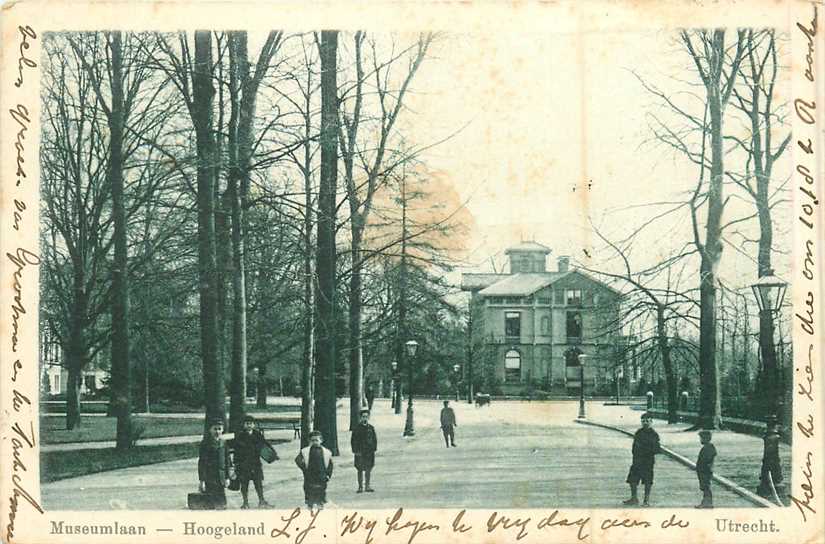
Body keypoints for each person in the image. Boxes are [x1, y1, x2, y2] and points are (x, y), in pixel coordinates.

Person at [230, 415, 270, 509]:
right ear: (244, 425)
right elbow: (236, 450)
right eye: (247, 423)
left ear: (254, 425)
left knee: (258, 483)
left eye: (251, 423)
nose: (249, 425)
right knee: (244, 484)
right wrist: (236, 463)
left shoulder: (257, 434)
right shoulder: (240, 435)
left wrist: (272, 454)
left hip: (255, 463)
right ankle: (245, 502)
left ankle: (261, 501)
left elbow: (265, 445)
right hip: (244, 464)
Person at [623, 412, 660, 506]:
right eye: (643, 421)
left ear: (651, 422)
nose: (645, 423)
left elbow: (656, 449)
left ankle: (646, 500)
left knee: (647, 481)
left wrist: (646, 450)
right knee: (632, 479)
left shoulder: (654, 434)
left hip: (648, 461)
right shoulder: (638, 432)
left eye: (647, 421)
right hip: (637, 460)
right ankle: (634, 498)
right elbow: (634, 446)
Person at [295, 430, 333, 513]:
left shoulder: (326, 452)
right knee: (309, 488)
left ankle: (320, 502)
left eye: (317, 440)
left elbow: (330, 465)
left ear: (321, 441)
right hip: (310, 473)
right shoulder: (305, 451)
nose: (315, 442)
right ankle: (310, 503)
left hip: (321, 473)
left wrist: (328, 475)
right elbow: (297, 460)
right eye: (313, 440)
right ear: (309, 441)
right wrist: (303, 467)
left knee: (321, 488)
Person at [198, 419, 232, 509]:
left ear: (222, 430)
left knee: (222, 503)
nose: (217, 431)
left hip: (221, 477)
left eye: (219, 429)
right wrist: (202, 481)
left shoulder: (224, 443)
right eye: (215, 429)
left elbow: (227, 462)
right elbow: (202, 463)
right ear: (210, 430)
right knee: (210, 503)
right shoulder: (205, 444)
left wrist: (227, 477)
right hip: (210, 477)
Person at [351, 408, 378, 493]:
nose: (365, 418)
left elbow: (374, 439)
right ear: (360, 418)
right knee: (359, 469)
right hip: (360, 452)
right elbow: (353, 440)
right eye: (363, 417)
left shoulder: (371, 428)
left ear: (368, 417)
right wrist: (355, 451)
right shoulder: (357, 428)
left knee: (368, 469)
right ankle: (360, 487)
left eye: (366, 416)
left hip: (369, 452)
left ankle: (367, 485)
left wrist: (373, 448)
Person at [695, 430, 717, 508]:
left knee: (705, 486)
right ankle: (705, 502)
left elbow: (707, 460)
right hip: (703, 470)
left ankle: (708, 503)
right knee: (704, 486)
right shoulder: (708, 447)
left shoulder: (708, 448)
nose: (700, 440)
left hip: (705, 470)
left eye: (701, 438)